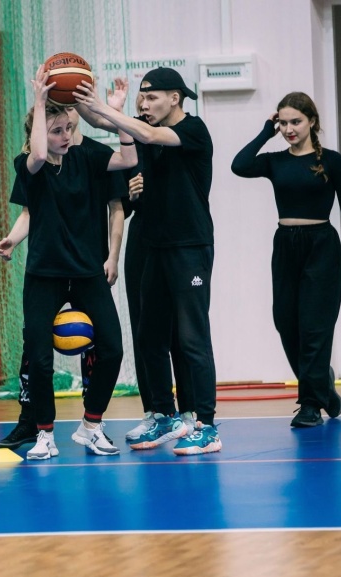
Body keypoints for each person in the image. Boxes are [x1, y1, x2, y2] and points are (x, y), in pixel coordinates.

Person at [74, 67, 220, 455]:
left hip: (189, 246)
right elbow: (101, 122)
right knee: (149, 336)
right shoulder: (143, 129)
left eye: (152, 97)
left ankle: (206, 424)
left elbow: (150, 135)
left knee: (192, 337)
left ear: (175, 98)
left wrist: (104, 107)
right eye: (142, 97)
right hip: (153, 247)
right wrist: (79, 98)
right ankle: (163, 415)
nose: (145, 103)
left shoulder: (192, 129)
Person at [0, 65, 137, 460]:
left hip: (87, 271)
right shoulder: (29, 164)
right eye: (57, 131)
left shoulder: (87, 154)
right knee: (39, 358)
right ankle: (44, 434)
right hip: (45, 274)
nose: (66, 136)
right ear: (39, 133)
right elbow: (32, 199)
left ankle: (91, 426)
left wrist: (114, 113)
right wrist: (13, 240)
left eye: (69, 129)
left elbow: (128, 157)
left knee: (112, 348)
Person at [231, 91, 341, 428]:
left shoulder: (332, 162)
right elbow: (239, 165)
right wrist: (266, 132)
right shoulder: (275, 160)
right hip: (285, 246)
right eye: (283, 123)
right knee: (285, 321)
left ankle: (310, 404)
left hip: (321, 245)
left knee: (314, 327)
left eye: (296, 121)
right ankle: (322, 387)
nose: (289, 129)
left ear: (312, 122)